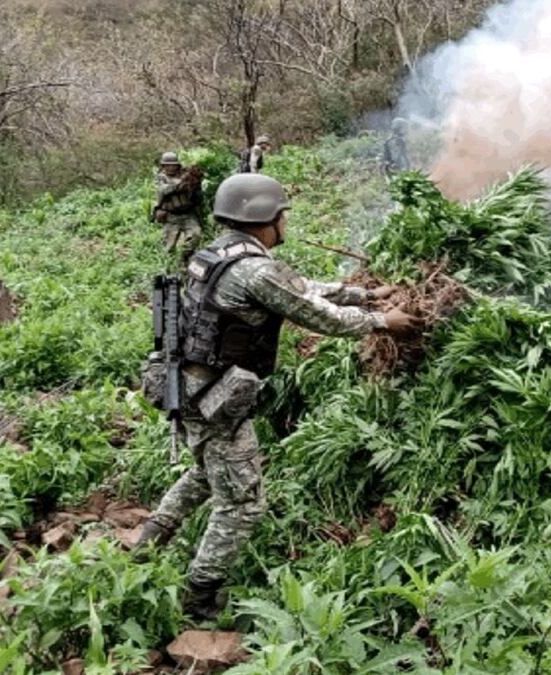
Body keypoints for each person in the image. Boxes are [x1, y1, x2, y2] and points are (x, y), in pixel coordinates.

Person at [136, 173, 415, 619]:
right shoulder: (255, 267)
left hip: (187, 386)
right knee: (243, 502)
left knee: (207, 473)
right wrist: (382, 321)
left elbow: (297, 288)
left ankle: (147, 543)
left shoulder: (222, 253)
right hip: (212, 397)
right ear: (263, 217)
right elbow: (316, 314)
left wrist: (364, 294)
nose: (286, 220)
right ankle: (200, 598)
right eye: (282, 213)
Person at [153, 152, 204, 260]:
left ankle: (184, 259)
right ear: (163, 166)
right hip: (171, 216)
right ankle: (166, 270)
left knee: (196, 235)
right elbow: (164, 190)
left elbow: (197, 196)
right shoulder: (161, 178)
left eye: (173, 165)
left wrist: (194, 183)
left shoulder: (186, 175)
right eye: (168, 165)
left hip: (188, 214)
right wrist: (181, 183)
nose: (171, 168)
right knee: (168, 247)